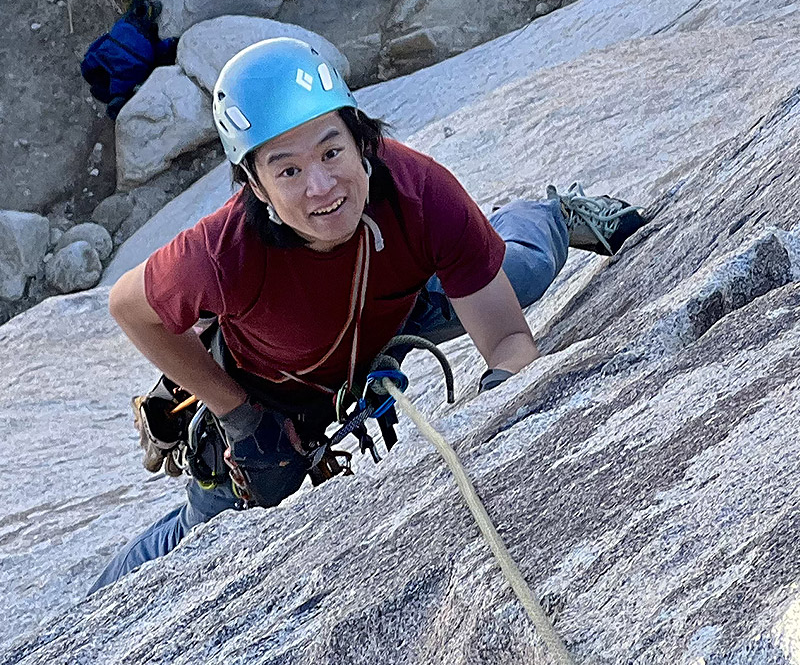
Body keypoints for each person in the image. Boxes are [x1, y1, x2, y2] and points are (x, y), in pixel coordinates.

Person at [90, 37, 645, 592]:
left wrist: (493, 417)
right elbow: (130, 307)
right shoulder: (221, 252)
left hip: (393, 315)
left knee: (518, 273)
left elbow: (508, 341)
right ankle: (86, 614)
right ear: (255, 186)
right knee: (202, 536)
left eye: (332, 153)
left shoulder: (419, 192)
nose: (321, 187)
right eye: (287, 171)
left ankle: (549, 214)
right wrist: (237, 414)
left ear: (363, 143)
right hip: (270, 393)